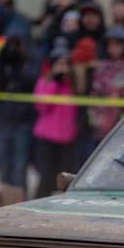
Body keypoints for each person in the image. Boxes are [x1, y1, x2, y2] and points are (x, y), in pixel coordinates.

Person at [0, 28, 41, 191]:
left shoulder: (31, 59)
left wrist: (18, 63)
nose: (14, 47)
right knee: (3, 165)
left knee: (20, 166)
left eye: (17, 43)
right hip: (2, 119)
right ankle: (4, 200)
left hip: (23, 121)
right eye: (11, 43)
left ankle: (19, 201)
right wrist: (1, 60)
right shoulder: (3, 60)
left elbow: (31, 82)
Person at [33, 42, 79, 198]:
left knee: (64, 179)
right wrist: (55, 84)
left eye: (65, 64)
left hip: (66, 138)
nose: (62, 67)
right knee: (45, 177)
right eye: (59, 63)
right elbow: (41, 105)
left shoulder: (73, 84)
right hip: (46, 137)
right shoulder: (45, 82)